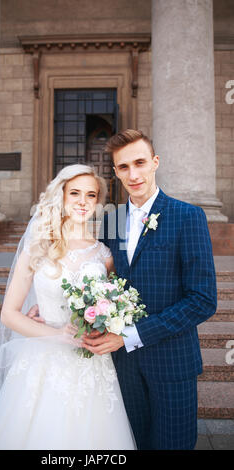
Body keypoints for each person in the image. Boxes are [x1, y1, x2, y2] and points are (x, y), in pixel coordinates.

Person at [0, 164, 136, 450]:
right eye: (74, 193)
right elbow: (9, 314)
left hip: (92, 361)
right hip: (44, 357)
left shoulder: (104, 254)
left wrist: (109, 321)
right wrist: (59, 334)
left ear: (98, 201)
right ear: (60, 196)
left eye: (91, 194)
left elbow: (114, 303)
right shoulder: (38, 246)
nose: (82, 201)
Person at [82, 129, 217, 450]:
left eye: (140, 163)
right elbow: (100, 279)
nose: (134, 174)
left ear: (155, 162)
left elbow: (202, 300)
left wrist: (129, 336)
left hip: (172, 364)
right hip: (123, 368)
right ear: (115, 172)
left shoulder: (188, 217)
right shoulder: (111, 220)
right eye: (124, 167)